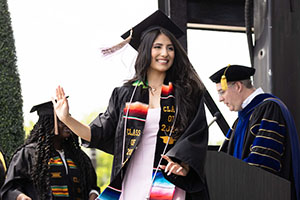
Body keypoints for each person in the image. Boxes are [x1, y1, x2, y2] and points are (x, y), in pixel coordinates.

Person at [53, 10, 209, 200]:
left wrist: (185, 164)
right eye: (157, 47)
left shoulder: (186, 94)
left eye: (170, 48)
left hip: (170, 182)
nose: (164, 53)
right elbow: (97, 133)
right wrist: (66, 118)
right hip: (133, 179)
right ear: (145, 51)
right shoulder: (126, 94)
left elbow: (196, 136)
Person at [209, 64, 300, 200]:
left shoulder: (269, 108)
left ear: (238, 86)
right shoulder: (240, 120)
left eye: (222, 92)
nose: (220, 99)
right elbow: (222, 159)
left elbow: (263, 163)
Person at [0, 101, 100, 200]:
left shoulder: (79, 157)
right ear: (50, 123)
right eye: (61, 120)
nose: (67, 124)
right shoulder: (28, 154)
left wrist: (93, 194)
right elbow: (9, 189)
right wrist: (21, 197)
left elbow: (92, 186)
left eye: (68, 119)